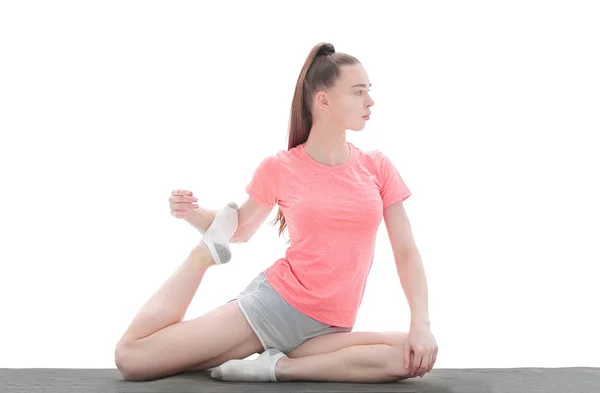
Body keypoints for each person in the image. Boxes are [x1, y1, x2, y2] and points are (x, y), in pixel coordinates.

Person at [114, 42, 438, 383]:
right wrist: (193, 214)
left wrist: (421, 324)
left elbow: (406, 252)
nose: (370, 101)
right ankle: (201, 258)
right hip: (275, 310)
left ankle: (274, 367)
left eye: (368, 91)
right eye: (358, 92)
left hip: (330, 329)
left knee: (411, 356)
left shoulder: (377, 167)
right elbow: (239, 229)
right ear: (323, 100)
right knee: (133, 357)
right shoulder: (281, 168)